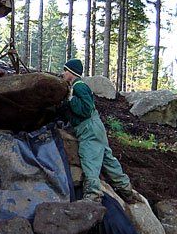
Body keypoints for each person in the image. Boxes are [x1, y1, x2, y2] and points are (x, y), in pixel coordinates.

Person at [57, 58, 141, 204]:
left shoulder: (78, 86)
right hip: (96, 127)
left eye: (65, 70)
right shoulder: (78, 87)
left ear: (72, 73)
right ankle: (126, 190)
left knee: (89, 158)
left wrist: (70, 99)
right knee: (108, 160)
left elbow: (86, 109)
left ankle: (93, 195)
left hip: (88, 128)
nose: (63, 73)